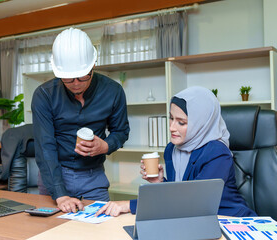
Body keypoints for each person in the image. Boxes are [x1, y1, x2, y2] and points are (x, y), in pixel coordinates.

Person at [96, 86, 257, 217]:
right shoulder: (172, 149)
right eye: (171, 118)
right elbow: (177, 194)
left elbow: (192, 201)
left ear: (201, 123)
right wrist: (160, 182)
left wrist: (130, 205)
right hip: (195, 221)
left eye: (181, 122)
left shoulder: (217, 153)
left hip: (230, 222)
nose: (172, 127)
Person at [31, 28, 130, 213]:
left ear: (93, 65)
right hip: (54, 175)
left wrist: (105, 146)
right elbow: (45, 147)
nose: (76, 83)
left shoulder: (113, 91)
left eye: (83, 76)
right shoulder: (44, 95)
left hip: (94, 176)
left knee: (100, 229)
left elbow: (121, 131)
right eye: (68, 79)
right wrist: (60, 194)